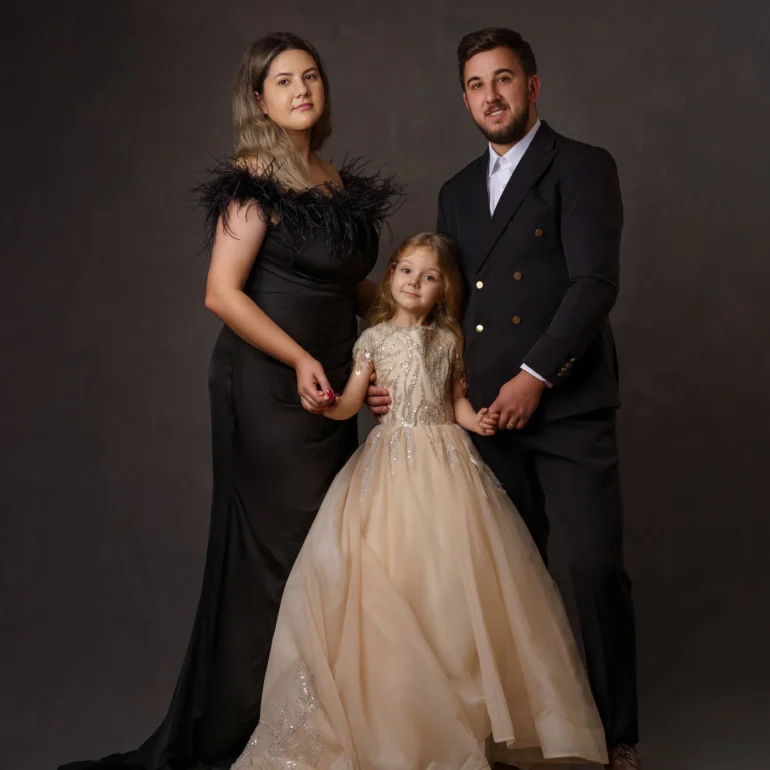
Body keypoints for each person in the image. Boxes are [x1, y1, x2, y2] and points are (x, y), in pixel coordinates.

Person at [59, 32, 401, 770]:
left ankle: (310, 733)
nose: (303, 89)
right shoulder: (253, 176)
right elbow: (221, 293)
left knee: (329, 558)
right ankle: (246, 734)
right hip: (268, 389)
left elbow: (347, 287)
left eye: (311, 76)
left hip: (330, 390)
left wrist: (394, 331)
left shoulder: (333, 177)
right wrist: (304, 356)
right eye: (284, 81)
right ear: (259, 100)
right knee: (278, 558)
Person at [230, 231, 609, 770]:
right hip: (390, 464)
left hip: (449, 463)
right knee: (392, 577)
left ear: (443, 290)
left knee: (453, 582)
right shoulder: (373, 340)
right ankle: (401, 719)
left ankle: (462, 718)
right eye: (406, 271)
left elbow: (456, 402)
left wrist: (478, 420)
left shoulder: (449, 340)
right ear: (390, 277)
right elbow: (353, 403)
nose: (415, 282)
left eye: (429, 277)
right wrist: (327, 404)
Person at [368, 27, 640, 770]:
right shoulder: (457, 190)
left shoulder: (581, 166)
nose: (492, 96)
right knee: (496, 583)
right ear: (465, 98)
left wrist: (535, 376)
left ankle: (617, 736)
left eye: (505, 80)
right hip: (483, 416)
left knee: (589, 567)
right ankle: (518, 734)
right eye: (477, 85)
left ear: (533, 86)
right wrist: (412, 383)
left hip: (565, 404)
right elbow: (444, 308)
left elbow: (594, 285)